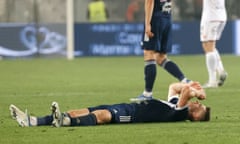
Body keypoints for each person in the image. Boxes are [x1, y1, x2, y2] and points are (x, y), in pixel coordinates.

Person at [9, 81, 210, 127]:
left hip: (131, 115)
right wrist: (189, 85)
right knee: (82, 110)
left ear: (194, 117)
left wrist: (196, 91)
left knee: (104, 115)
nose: (198, 105)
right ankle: (33, 121)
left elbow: (184, 92)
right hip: (129, 106)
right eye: (200, 104)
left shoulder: (180, 113)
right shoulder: (175, 106)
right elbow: (174, 88)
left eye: (200, 109)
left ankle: (65, 123)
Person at [130, 0, 190, 102]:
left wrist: (148, 23)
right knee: (160, 57)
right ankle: (185, 80)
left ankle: (147, 93)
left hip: (155, 18)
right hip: (167, 17)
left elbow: (149, 1)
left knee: (149, 53)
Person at [200, 0, 228, 88]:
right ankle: (220, 71)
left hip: (211, 17)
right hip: (221, 15)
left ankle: (212, 81)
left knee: (209, 47)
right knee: (209, 46)